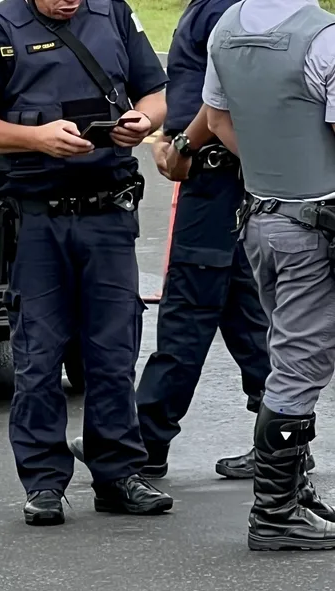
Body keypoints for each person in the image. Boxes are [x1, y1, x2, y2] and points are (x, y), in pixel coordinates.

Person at [0, 0, 174, 527]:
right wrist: (35, 138)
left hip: (108, 215)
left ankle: (117, 474)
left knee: (114, 353)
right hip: (37, 220)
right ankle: (45, 483)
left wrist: (144, 120)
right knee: (39, 357)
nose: (68, 1)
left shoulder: (113, 13)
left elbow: (157, 92)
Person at [67, 0, 275, 482]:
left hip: (215, 175)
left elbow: (227, 99)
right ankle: (281, 435)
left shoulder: (226, 10)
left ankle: (146, 439)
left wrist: (183, 146)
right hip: (231, 175)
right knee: (243, 308)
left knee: (189, 306)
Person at [204, 0, 335, 550]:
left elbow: (215, 119)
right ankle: (276, 514)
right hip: (316, 224)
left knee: (289, 355)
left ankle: (291, 495)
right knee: (299, 368)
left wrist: (266, 159)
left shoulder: (226, 28)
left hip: (263, 217)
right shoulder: (323, 37)